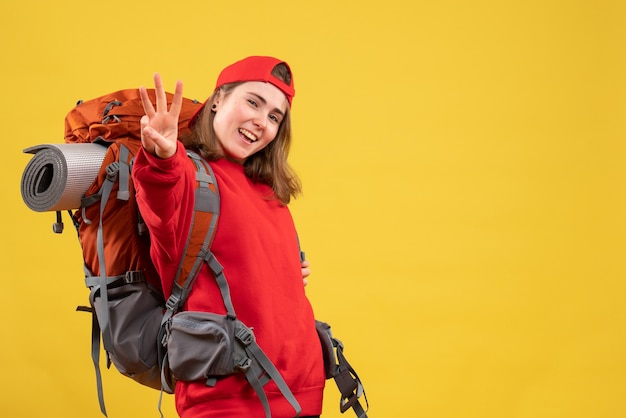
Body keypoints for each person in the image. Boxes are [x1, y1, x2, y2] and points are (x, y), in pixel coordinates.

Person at [132, 56, 325, 417]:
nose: (261, 122)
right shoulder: (187, 175)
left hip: (304, 391)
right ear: (218, 99)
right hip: (228, 402)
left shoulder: (268, 191)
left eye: (274, 117)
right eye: (253, 102)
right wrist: (162, 155)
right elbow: (161, 195)